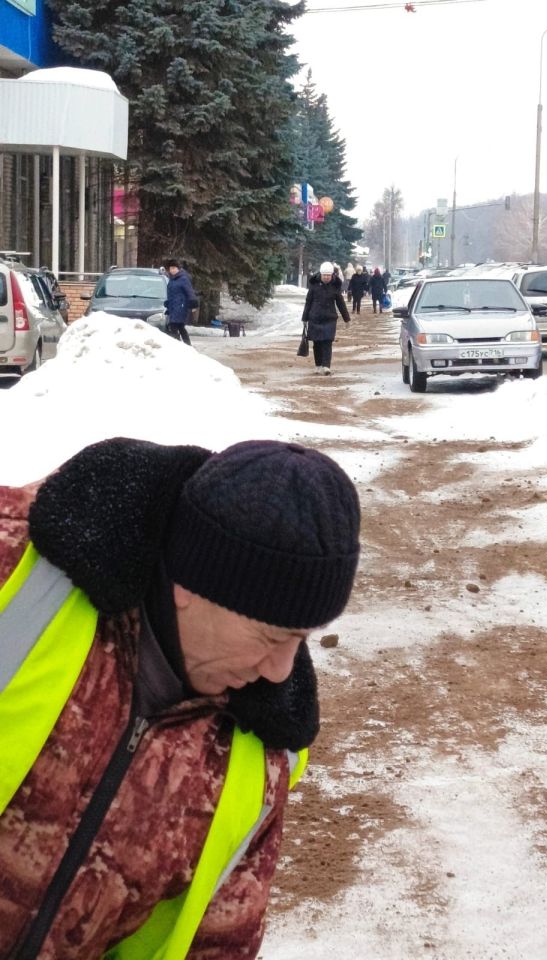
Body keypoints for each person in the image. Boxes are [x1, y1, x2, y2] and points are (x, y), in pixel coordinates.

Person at [0, 436, 361, 959]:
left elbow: (218, 941)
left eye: (300, 640)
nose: (282, 672)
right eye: (269, 637)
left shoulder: (263, 753)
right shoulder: (17, 571)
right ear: (194, 586)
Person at [301, 261, 351, 375]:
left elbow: (340, 303)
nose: (327, 277)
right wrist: (304, 318)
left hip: (330, 319)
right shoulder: (314, 286)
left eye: (329, 275)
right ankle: (318, 365)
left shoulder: (335, 286)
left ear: (332, 275)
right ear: (321, 275)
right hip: (315, 318)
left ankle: (326, 366)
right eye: (325, 275)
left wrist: (346, 319)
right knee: (317, 344)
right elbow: (308, 302)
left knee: (327, 342)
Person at [164, 258, 198, 345]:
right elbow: (172, 294)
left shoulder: (183, 279)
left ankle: (178, 346)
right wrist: (168, 304)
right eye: (170, 268)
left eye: (174, 268)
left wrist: (193, 304)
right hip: (174, 307)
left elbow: (189, 291)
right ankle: (187, 346)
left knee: (175, 326)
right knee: (179, 327)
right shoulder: (172, 280)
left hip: (181, 307)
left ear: (178, 269)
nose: (172, 270)